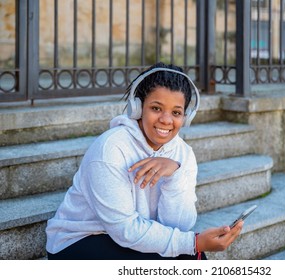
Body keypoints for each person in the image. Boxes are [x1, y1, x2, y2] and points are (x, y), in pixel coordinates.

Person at [45, 62, 243, 260]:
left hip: (127, 237)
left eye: (176, 112)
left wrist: (175, 174)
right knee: (186, 255)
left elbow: (180, 226)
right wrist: (194, 242)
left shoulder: (183, 154)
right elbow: (125, 229)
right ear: (137, 108)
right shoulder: (111, 149)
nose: (166, 120)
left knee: (188, 257)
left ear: (186, 116)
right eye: (156, 108)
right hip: (78, 242)